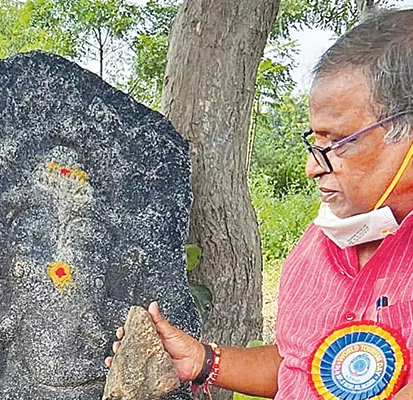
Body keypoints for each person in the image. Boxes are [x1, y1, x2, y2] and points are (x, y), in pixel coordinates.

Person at [108, 9, 413, 400]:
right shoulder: (318, 247)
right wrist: (203, 361)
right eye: (314, 143)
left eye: (336, 143)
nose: (311, 168)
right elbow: (300, 366)